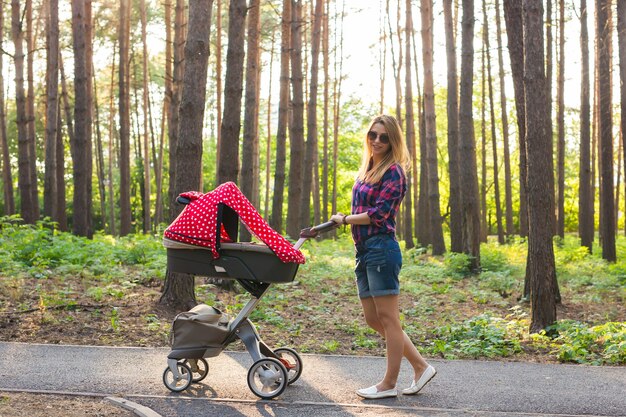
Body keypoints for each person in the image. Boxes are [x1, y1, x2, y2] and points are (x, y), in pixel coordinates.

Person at [330, 115, 436, 400]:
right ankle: (420, 366)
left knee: (388, 318)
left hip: (381, 249)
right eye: (373, 135)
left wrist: (344, 219)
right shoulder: (368, 168)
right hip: (363, 251)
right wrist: (344, 220)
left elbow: (379, 215)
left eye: (384, 137)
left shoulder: (394, 172)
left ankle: (388, 384)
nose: (377, 140)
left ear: (393, 141)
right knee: (374, 319)